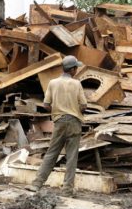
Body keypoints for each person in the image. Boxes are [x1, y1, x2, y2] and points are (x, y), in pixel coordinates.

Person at [25, 55, 87, 197]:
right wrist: (75, 109)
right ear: (72, 70)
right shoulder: (76, 84)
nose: (76, 70)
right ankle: (67, 190)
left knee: (51, 153)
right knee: (72, 157)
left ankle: (36, 184)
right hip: (74, 122)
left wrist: (57, 110)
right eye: (76, 68)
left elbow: (46, 104)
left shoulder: (53, 83)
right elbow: (84, 105)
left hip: (59, 122)